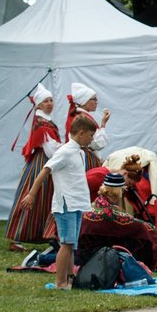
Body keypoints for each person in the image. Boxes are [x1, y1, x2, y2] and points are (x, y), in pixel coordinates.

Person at [20, 113, 98, 290]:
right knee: (66, 244)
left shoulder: (80, 153)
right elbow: (45, 170)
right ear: (80, 133)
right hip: (66, 204)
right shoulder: (64, 152)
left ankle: (70, 279)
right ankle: (60, 282)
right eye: (90, 135)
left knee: (72, 245)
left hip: (77, 204)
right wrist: (31, 194)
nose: (91, 139)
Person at [77, 171, 157, 273]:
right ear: (117, 192)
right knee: (143, 240)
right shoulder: (108, 214)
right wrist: (149, 228)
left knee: (138, 238)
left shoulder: (97, 205)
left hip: (93, 252)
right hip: (98, 256)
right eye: (122, 190)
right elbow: (140, 226)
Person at [6, 83, 61, 250]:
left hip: (44, 162)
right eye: (46, 101)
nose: (50, 103)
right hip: (41, 164)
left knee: (44, 199)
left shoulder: (45, 121)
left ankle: (39, 234)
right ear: (38, 104)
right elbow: (50, 148)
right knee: (33, 197)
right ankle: (17, 237)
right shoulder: (41, 123)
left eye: (51, 100)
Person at [66, 82, 109, 170]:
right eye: (94, 99)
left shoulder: (75, 115)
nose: (96, 102)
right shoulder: (84, 118)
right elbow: (99, 144)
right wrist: (103, 124)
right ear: (84, 101)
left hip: (77, 157)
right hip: (86, 159)